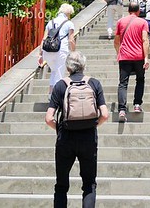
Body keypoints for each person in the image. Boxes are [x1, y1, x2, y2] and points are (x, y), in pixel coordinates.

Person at [45, 51, 109, 208]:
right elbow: (105, 115)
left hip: (66, 138)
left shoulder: (61, 85)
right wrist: (94, 125)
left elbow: (49, 118)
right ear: (83, 66)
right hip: (88, 137)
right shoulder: (94, 84)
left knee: (61, 184)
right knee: (89, 184)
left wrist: (60, 129)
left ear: (68, 67)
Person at [114, 1, 150, 122]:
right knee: (140, 79)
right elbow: (145, 40)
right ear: (139, 11)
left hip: (124, 56)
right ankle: (137, 105)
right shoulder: (143, 22)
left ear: (128, 10)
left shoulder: (120, 22)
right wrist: (146, 58)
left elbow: (116, 41)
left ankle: (122, 110)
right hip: (139, 56)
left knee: (123, 83)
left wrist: (119, 52)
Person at [40, 3, 77, 92]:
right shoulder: (69, 24)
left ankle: (51, 94)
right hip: (61, 50)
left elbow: (44, 39)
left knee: (54, 71)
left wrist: (40, 55)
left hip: (47, 51)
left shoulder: (50, 22)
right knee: (59, 73)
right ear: (68, 13)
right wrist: (73, 52)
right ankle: (57, 97)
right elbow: (71, 40)